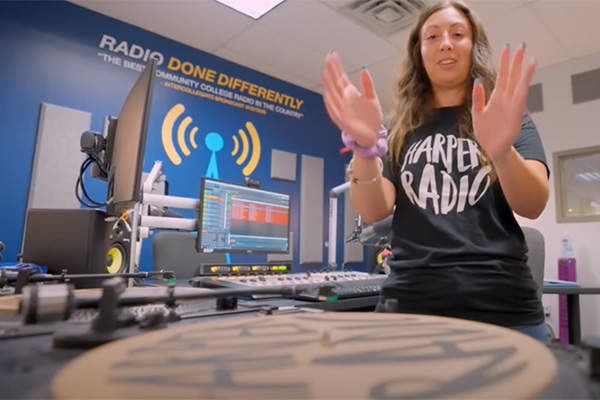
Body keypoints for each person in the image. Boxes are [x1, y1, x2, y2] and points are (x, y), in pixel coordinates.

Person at [321, 0, 551, 342]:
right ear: (419, 51)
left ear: (473, 47)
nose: (445, 42)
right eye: (432, 36)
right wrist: (365, 150)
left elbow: (532, 204)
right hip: (410, 305)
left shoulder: (505, 117)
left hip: (503, 307)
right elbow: (373, 210)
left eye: (458, 34)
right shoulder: (400, 127)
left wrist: (501, 151)